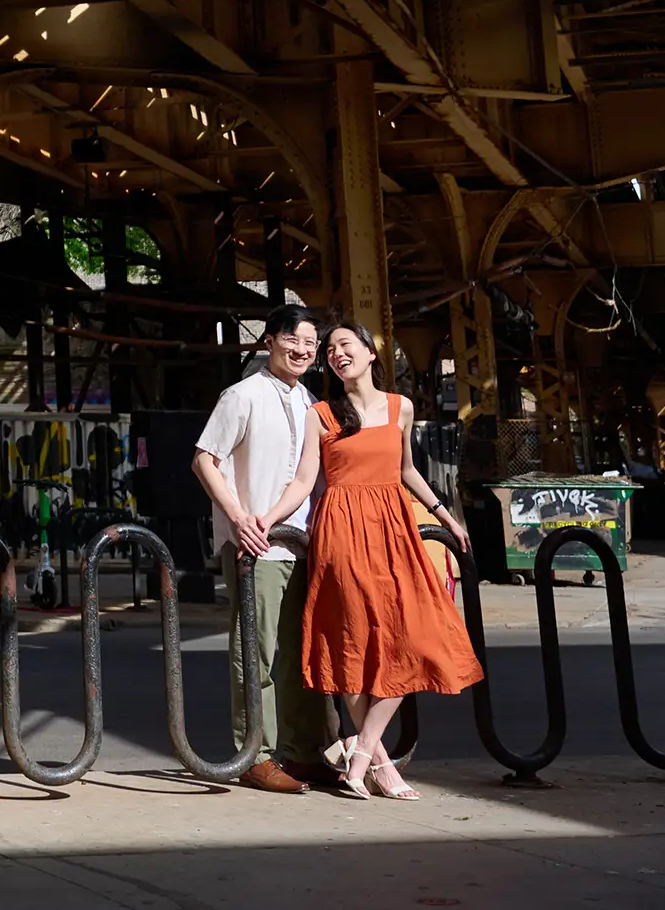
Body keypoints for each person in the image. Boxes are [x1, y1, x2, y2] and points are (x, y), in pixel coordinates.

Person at [285, 319, 482, 801]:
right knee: (351, 641)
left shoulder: (401, 408)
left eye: (343, 344)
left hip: (393, 529)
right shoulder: (322, 414)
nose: (335, 353)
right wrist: (261, 519)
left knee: (413, 635)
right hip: (342, 531)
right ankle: (381, 768)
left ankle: (362, 753)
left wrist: (446, 515)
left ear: (371, 353)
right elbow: (304, 480)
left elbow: (406, 470)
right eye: (329, 349)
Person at [191, 304, 332, 794]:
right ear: (270, 340)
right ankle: (257, 753)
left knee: (301, 653)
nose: (302, 350)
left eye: (311, 345)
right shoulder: (242, 395)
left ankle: (304, 751)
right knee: (256, 652)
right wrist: (237, 517)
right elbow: (204, 460)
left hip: (303, 543)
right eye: (293, 339)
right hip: (257, 547)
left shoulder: (309, 401)